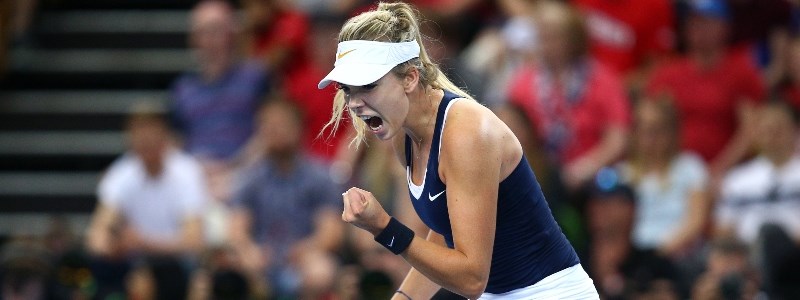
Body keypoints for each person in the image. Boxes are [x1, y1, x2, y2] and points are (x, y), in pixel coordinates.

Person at [319, 2, 598, 299]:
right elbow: (445, 235)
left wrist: (384, 228)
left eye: (368, 86)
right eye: (349, 89)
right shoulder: (403, 137)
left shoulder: (466, 134)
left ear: (410, 78)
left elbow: (471, 279)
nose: (354, 103)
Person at [85, 101, 209, 300]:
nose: (146, 140)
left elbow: (194, 241)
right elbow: (98, 233)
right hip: (135, 265)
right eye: (140, 135)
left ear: (164, 136)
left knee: (199, 282)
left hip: (179, 265)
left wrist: (143, 242)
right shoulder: (120, 175)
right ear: (130, 139)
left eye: (152, 134)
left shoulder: (187, 171)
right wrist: (112, 245)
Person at [227, 98, 344, 299]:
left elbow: (331, 232)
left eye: (282, 124)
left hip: (304, 255)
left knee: (320, 271)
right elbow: (237, 229)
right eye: (268, 125)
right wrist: (249, 251)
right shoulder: (250, 177)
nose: (275, 131)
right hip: (263, 257)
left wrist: (306, 249)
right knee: (228, 274)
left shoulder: (320, 176)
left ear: (299, 128)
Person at [645, 0, 766, 189]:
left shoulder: (740, 72)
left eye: (707, 22)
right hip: (674, 174)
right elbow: (653, 125)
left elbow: (750, 131)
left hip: (728, 176)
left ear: (725, 27)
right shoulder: (667, 75)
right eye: (694, 23)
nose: (699, 29)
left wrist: (717, 170)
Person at [617, 99, 710, 257]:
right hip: (634, 257)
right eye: (643, 130)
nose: (649, 139)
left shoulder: (691, 168)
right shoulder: (622, 175)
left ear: (671, 132)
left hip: (679, 255)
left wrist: (658, 254)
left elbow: (697, 220)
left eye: (656, 130)